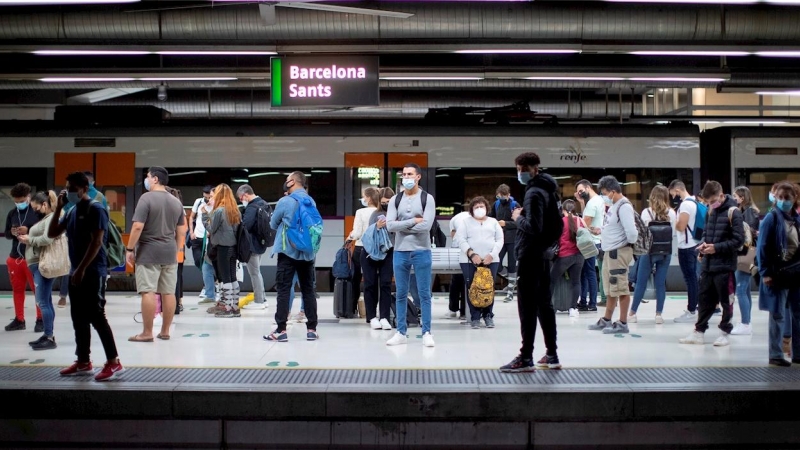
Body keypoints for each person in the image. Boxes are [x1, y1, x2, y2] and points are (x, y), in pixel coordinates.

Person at [48, 172, 122, 382]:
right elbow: (53, 233)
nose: (68, 192)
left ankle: (114, 362)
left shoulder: (96, 209)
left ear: (83, 189)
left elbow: (97, 242)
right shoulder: (71, 211)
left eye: (71, 188)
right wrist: (59, 208)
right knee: (78, 318)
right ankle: (83, 361)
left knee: (97, 317)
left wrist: (80, 269)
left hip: (93, 272)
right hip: (76, 273)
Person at [500, 152, 563, 373]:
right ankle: (552, 354)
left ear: (534, 169)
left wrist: (517, 218)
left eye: (522, 169)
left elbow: (534, 227)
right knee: (545, 305)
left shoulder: (534, 193)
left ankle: (526, 357)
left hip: (530, 255)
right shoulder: (551, 191)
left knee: (527, 307)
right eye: (518, 169)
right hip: (545, 255)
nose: (520, 173)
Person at [679, 181, 744, 347]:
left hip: (725, 266)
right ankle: (699, 331)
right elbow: (707, 234)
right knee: (704, 298)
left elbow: (738, 241)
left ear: (722, 195)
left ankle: (724, 333)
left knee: (726, 300)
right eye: (708, 202)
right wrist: (703, 246)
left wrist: (716, 248)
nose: (711, 204)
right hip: (708, 265)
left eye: (713, 200)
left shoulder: (733, 212)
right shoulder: (710, 211)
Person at [126, 167, 185, 341]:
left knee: (148, 291)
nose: (146, 180)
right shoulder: (176, 202)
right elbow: (181, 230)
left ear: (155, 179)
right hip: (169, 253)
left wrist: (129, 249)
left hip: (148, 252)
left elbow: (137, 226)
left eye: (148, 177)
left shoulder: (146, 198)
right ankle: (165, 331)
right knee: (168, 292)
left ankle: (146, 333)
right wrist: (177, 249)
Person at [385, 163, 436, 347]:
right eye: (404, 174)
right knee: (400, 293)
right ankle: (400, 332)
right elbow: (390, 225)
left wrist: (402, 225)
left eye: (409, 174)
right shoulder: (395, 200)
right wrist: (414, 220)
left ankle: (427, 332)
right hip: (400, 251)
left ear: (418, 177)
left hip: (422, 251)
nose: (406, 177)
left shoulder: (427, 198)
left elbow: (427, 226)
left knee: (424, 294)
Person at [265, 171, 320, 342]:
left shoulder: (285, 201)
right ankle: (312, 329)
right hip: (308, 253)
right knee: (308, 290)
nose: (285, 182)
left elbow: (273, 223)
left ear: (293, 182)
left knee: (283, 290)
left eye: (287, 180)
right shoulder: (311, 201)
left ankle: (281, 330)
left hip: (287, 251)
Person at [587, 175, 638, 335]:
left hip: (619, 252)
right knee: (610, 288)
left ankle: (623, 322)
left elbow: (632, 233)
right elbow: (614, 226)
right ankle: (607, 319)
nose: (603, 196)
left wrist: (621, 244)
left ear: (613, 191)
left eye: (604, 193)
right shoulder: (615, 206)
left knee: (620, 287)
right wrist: (601, 231)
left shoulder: (624, 206)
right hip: (610, 252)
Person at [757, 181, 800, 366]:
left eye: (787, 198)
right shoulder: (771, 218)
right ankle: (775, 354)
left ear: (794, 199)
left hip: (795, 273)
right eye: (780, 198)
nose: (783, 201)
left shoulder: (796, 220)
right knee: (778, 315)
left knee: (798, 315)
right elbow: (762, 247)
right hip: (777, 274)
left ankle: (797, 353)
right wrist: (765, 272)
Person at [629, 186, 676, 324]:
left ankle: (632, 314)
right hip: (666, 251)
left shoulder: (646, 212)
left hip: (648, 252)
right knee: (660, 283)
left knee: (641, 283)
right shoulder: (672, 213)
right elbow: (672, 234)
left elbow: (642, 233)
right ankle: (658, 315)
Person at [18, 191, 59, 350]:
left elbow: (47, 239)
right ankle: (48, 334)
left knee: (42, 302)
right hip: (38, 263)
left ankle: (49, 336)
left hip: (41, 264)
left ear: (44, 205)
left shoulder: (50, 219)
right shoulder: (47, 218)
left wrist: (29, 239)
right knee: (46, 301)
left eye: (36, 207)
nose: (34, 211)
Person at [457, 196, 503, 329]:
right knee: (472, 287)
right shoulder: (465, 222)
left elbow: (500, 240)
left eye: (481, 206)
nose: (479, 209)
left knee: (488, 287)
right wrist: (471, 254)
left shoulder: (493, 222)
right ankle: (475, 317)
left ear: (486, 208)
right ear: (471, 210)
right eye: (476, 207)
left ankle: (488, 315)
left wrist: (492, 255)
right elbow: (461, 239)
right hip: (469, 261)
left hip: (491, 260)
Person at [5, 182, 42, 332]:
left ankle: (40, 319)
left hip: (32, 257)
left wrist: (29, 230)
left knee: (38, 290)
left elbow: (44, 232)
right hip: (15, 257)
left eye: (21, 201)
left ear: (28, 197)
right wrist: (12, 233)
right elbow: (7, 234)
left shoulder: (37, 213)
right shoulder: (12, 214)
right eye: (16, 201)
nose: (19, 204)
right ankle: (19, 319)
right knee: (17, 290)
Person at [204, 183, 242, 318]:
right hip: (233, 247)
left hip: (222, 248)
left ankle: (226, 308)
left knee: (225, 278)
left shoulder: (219, 211)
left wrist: (204, 217)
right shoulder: (235, 210)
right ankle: (235, 306)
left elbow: (211, 229)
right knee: (232, 277)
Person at [361, 187, 395, 330]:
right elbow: (369, 234)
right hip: (370, 253)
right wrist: (377, 226)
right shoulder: (375, 214)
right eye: (384, 202)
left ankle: (385, 317)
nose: (386, 204)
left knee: (386, 284)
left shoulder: (396, 215)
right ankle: (371, 316)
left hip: (389, 252)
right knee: (370, 284)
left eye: (389, 202)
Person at [668, 180, 702, 324]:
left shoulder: (686, 205)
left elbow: (681, 227)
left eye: (673, 194)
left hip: (686, 246)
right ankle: (695, 307)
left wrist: (673, 221)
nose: (673, 197)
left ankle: (691, 310)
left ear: (677, 190)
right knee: (693, 278)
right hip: (694, 244)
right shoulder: (694, 202)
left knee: (690, 279)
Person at [731, 186, 760, 335]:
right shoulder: (749, 211)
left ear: (742, 198)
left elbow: (747, 233)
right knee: (745, 289)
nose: (733, 199)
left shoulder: (749, 213)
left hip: (746, 254)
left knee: (741, 289)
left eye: (735, 196)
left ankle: (745, 323)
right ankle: (746, 320)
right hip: (748, 253)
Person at [237, 184, 271, 310]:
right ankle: (263, 298)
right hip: (261, 243)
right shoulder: (264, 203)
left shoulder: (252, 207)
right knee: (257, 271)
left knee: (254, 273)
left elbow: (246, 226)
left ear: (245, 194)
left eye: (241, 198)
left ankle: (259, 301)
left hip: (251, 245)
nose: (241, 201)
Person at [348, 187, 380, 319]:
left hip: (361, 248)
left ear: (368, 198)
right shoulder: (381, 211)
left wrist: (350, 237)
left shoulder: (360, 212)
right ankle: (373, 309)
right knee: (373, 280)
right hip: (377, 249)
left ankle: (353, 307)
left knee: (355, 279)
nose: (363, 199)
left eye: (364, 196)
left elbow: (358, 232)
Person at [552, 199, 586, 318]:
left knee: (551, 280)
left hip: (564, 256)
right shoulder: (580, 221)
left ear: (563, 210)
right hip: (579, 256)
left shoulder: (561, 222)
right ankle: (573, 308)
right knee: (576, 282)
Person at [575, 179, 605, 312]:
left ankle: (590, 302)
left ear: (588, 187)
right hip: (595, 240)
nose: (580, 194)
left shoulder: (593, 203)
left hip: (589, 242)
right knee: (588, 272)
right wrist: (581, 203)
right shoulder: (597, 200)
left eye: (581, 191)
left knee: (588, 272)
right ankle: (586, 301)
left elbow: (584, 223)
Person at [490, 184, 519, 302]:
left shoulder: (515, 205)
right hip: (500, 239)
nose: (501, 198)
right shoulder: (496, 205)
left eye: (503, 196)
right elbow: (491, 218)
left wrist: (505, 224)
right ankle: (513, 281)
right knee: (496, 263)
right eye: (499, 196)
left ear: (508, 195)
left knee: (512, 265)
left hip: (513, 239)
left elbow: (519, 222)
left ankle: (510, 293)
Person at [190, 185, 215, 302]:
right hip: (197, 236)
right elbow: (191, 217)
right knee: (198, 261)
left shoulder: (216, 204)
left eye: (209, 197)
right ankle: (210, 284)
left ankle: (208, 288)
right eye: (205, 197)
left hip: (209, 237)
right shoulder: (198, 202)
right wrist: (191, 232)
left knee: (208, 264)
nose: (207, 200)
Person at [165, 187, 186, 314]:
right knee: (177, 278)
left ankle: (171, 307)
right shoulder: (180, 209)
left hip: (171, 250)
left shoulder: (170, 210)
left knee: (169, 282)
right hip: (179, 251)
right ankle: (177, 304)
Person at [446, 206, 470, 317]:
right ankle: (465, 311)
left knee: (455, 281)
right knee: (468, 281)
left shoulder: (454, 219)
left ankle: (453, 308)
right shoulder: (474, 218)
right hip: (471, 251)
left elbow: (453, 235)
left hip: (458, 250)